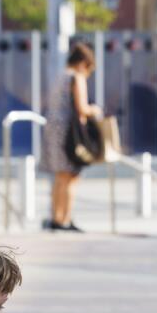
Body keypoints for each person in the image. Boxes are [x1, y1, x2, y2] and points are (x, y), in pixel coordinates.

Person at [40, 41, 100, 232]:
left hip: (54, 130)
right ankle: (65, 218)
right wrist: (95, 110)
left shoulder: (60, 76)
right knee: (71, 176)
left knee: (60, 176)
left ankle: (56, 218)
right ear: (83, 63)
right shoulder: (77, 77)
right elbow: (82, 108)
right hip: (70, 134)